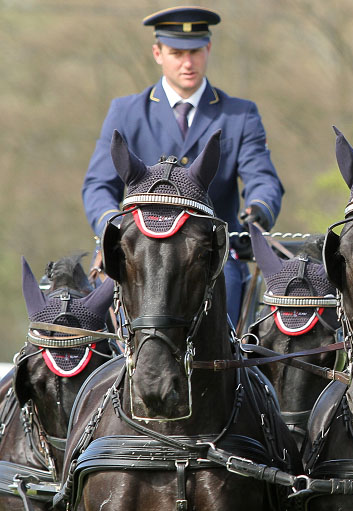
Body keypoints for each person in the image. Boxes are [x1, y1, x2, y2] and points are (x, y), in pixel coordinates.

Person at [82, 6, 284, 324]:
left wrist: (257, 211)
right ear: (157, 53)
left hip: (208, 254)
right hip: (139, 249)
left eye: (195, 52)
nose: (187, 63)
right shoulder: (126, 112)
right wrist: (113, 227)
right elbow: (97, 186)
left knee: (227, 289)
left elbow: (263, 180)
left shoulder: (240, 115)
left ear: (208, 49)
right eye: (176, 52)